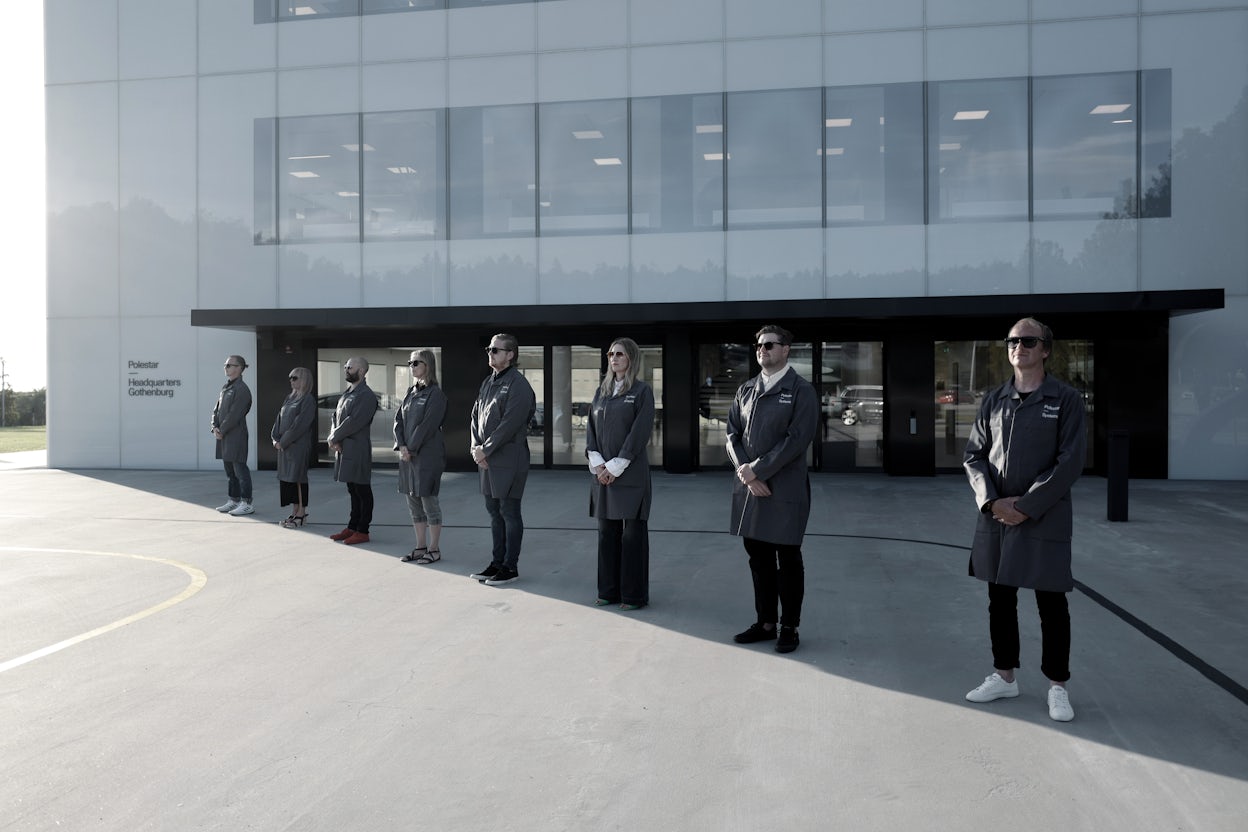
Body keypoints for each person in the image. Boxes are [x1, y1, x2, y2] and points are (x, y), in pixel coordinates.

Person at [963, 317, 1087, 723]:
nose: (1020, 346)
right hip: (997, 517)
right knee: (1000, 599)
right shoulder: (994, 399)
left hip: (1043, 516)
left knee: (1051, 602)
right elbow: (974, 456)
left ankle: (1057, 686)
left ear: (1046, 349)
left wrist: (1027, 506)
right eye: (1014, 340)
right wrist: (992, 503)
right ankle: (1005, 676)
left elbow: (1069, 462)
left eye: (1029, 341)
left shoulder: (1065, 399)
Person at [727, 325, 819, 654]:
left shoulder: (801, 391)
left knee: (788, 558)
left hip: (784, 488)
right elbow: (731, 435)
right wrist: (747, 474)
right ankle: (765, 622)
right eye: (758, 345)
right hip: (752, 488)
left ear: (786, 350)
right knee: (759, 558)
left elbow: (797, 439)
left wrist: (760, 469)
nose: (762, 350)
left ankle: (789, 627)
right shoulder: (746, 389)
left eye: (769, 345)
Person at [586, 338, 656, 610]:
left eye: (620, 354)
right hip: (603, 475)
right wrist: (598, 463)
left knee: (633, 537)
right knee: (607, 535)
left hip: (630, 474)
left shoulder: (641, 391)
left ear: (631, 359)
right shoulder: (600, 392)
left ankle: (633, 595)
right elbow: (591, 431)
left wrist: (615, 466)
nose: (614, 359)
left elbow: (638, 434)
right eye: (611, 354)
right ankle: (608, 592)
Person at [468, 334, 536, 586]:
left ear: (510, 355)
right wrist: (476, 447)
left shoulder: (518, 385)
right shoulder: (488, 382)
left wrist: (486, 449)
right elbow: (475, 416)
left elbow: (510, 423)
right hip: (486, 459)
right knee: (494, 512)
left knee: (509, 511)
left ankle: (510, 567)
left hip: (509, 458)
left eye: (496, 350)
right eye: (489, 349)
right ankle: (497, 563)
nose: (491, 353)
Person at [395, 349, 447, 564]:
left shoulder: (436, 395)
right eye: (410, 363)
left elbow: (427, 426)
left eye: (416, 363)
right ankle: (420, 546)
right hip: (408, 456)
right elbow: (398, 420)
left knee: (429, 502)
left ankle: (434, 549)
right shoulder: (411, 392)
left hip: (426, 456)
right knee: (413, 502)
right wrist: (402, 446)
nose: (412, 366)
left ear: (428, 365)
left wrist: (411, 447)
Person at [327, 357, 379, 546]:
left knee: (361, 488)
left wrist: (335, 437)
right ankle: (352, 526)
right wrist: (333, 436)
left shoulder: (366, 395)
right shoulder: (348, 393)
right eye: (345, 366)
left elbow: (354, 421)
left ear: (363, 371)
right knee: (352, 488)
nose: (346, 369)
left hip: (357, 448)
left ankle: (363, 530)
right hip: (343, 447)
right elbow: (336, 417)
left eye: (350, 367)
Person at [271, 366, 316, 528]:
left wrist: (283, 442)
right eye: (290, 377)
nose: (291, 380)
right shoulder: (289, 398)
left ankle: (302, 514)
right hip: (284, 447)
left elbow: (299, 426)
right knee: (288, 480)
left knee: (298, 479)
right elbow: (278, 420)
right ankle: (294, 511)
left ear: (304, 379)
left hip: (297, 446)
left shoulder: (308, 400)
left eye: (295, 377)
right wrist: (275, 439)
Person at [212, 355, 254, 516]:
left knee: (240, 469)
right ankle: (234, 499)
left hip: (235, 436)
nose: (226, 367)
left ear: (239, 368)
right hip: (223, 436)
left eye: (229, 365)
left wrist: (221, 430)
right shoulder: (226, 387)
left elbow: (235, 414)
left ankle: (246, 502)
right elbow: (216, 410)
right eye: (225, 365)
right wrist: (214, 427)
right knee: (230, 471)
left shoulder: (242, 389)